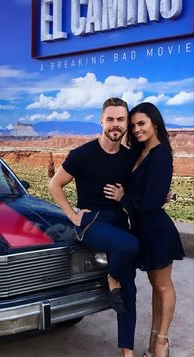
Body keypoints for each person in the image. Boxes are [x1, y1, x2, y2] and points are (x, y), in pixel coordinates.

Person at [49, 97, 140, 357]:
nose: (115, 124)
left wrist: (127, 196)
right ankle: (111, 278)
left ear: (126, 124)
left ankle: (127, 351)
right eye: (110, 119)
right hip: (92, 221)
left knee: (129, 286)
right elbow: (54, 185)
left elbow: (139, 189)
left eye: (120, 119)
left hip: (118, 221)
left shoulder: (130, 157)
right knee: (131, 245)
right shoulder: (82, 154)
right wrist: (72, 214)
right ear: (101, 121)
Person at [104, 102, 185, 357]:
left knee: (163, 287)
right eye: (134, 125)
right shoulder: (142, 152)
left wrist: (123, 198)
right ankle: (153, 340)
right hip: (142, 230)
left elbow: (149, 203)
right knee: (155, 287)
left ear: (155, 123)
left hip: (157, 231)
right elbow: (151, 191)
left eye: (142, 124)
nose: (137, 129)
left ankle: (161, 344)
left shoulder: (160, 154)